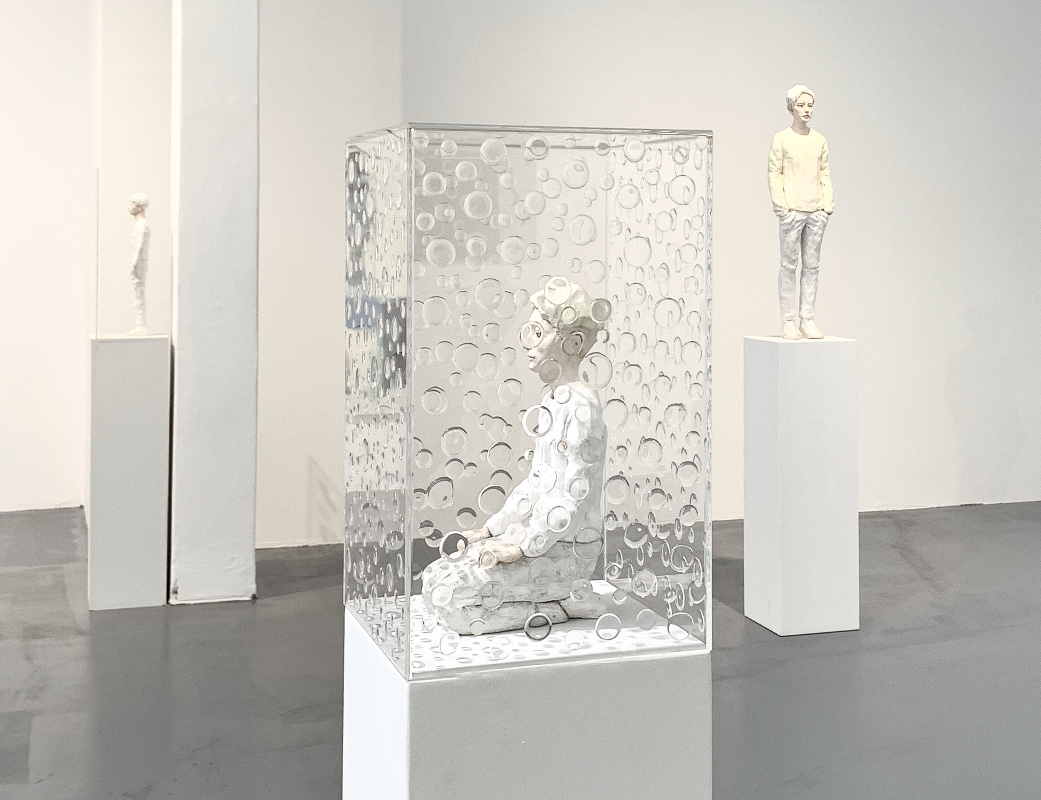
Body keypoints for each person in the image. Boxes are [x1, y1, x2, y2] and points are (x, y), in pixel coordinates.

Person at [422, 277, 611, 635]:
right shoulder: (555, 400)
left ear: (573, 343)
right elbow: (538, 482)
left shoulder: (581, 409)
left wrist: (523, 547)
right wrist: (492, 529)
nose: (529, 344)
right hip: (540, 540)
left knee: (449, 598)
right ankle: (559, 602)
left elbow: (572, 496)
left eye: (538, 333)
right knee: (434, 577)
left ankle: (559, 603)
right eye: (529, 332)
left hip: (566, 549)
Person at [768, 84, 834, 340]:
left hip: (816, 211)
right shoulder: (781, 139)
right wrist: (782, 206)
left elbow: (824, 172)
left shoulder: (819, 141)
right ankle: (788, 321)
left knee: (812, 267)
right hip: (792, 211)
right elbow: (774, 172)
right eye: (801, 105)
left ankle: (807, 318)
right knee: (788, 265)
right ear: (790, 108)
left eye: (810, 105)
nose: (806, 110)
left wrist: (827, 205)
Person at [127, 193, 151, 335]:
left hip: (138, 266)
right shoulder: (139, 224)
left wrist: (135, 263)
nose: (129, 207)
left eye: (132, 204)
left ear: (140, 207)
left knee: (139, 294)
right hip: (136, 265)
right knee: (137, 294)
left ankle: (141, 324)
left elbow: (140, 245)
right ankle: (140, 324)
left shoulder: (142, 225)